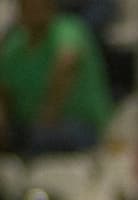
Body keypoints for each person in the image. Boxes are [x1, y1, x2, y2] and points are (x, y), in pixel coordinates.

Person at [0, 0, 113, 157]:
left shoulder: (69, 28)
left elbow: (67, 62)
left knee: (42, 137)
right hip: (25, 128)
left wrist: (47, 113)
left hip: (79, 126)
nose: (34, 11)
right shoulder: (14, 44)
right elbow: (3, 91)